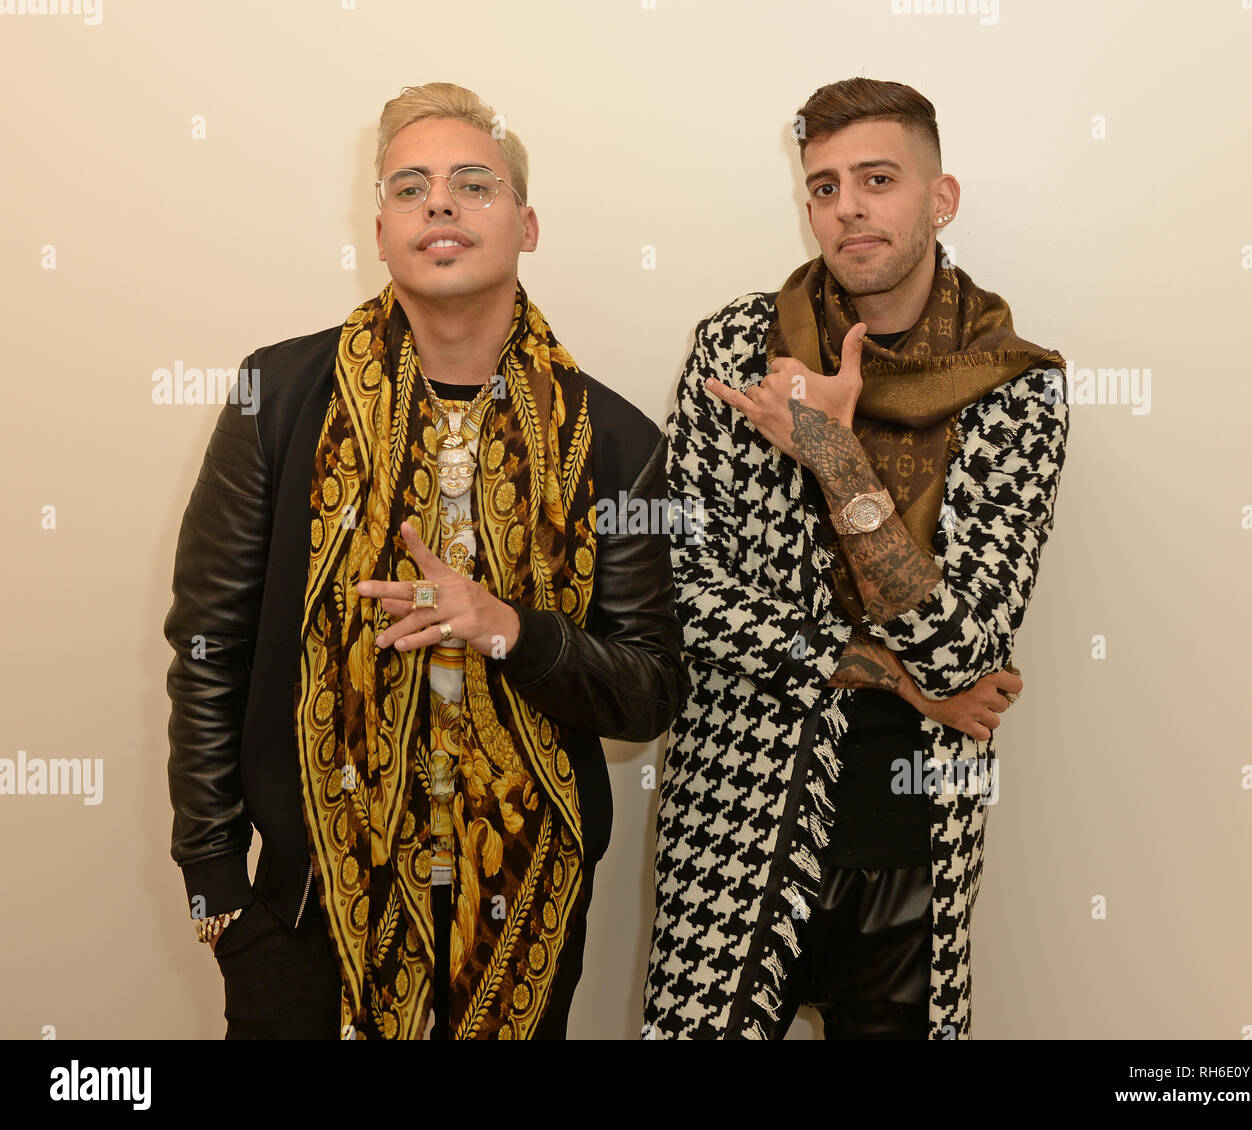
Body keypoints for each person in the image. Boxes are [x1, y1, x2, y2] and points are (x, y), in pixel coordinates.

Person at [164, 81, 686, 1041]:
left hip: (524, 908)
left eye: (472, 183)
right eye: (410, 187)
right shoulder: (278, 398)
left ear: (526, 224)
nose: (439, 203)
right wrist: (213, 882)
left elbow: (650, 691)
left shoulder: (616, 440)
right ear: (379, 227)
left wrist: (512, 631)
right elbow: (208, 643)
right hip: (301, 902)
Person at [642, 77, 1069, 1040]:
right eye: (825, 186)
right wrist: (890, 673)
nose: (850, 208)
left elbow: (969, 650)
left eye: (878, 178)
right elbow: (677, 586)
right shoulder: (739, 348)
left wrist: (834, 455)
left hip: (916, 838)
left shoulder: (1015, 389)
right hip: (733, 820)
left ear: (939, 197)